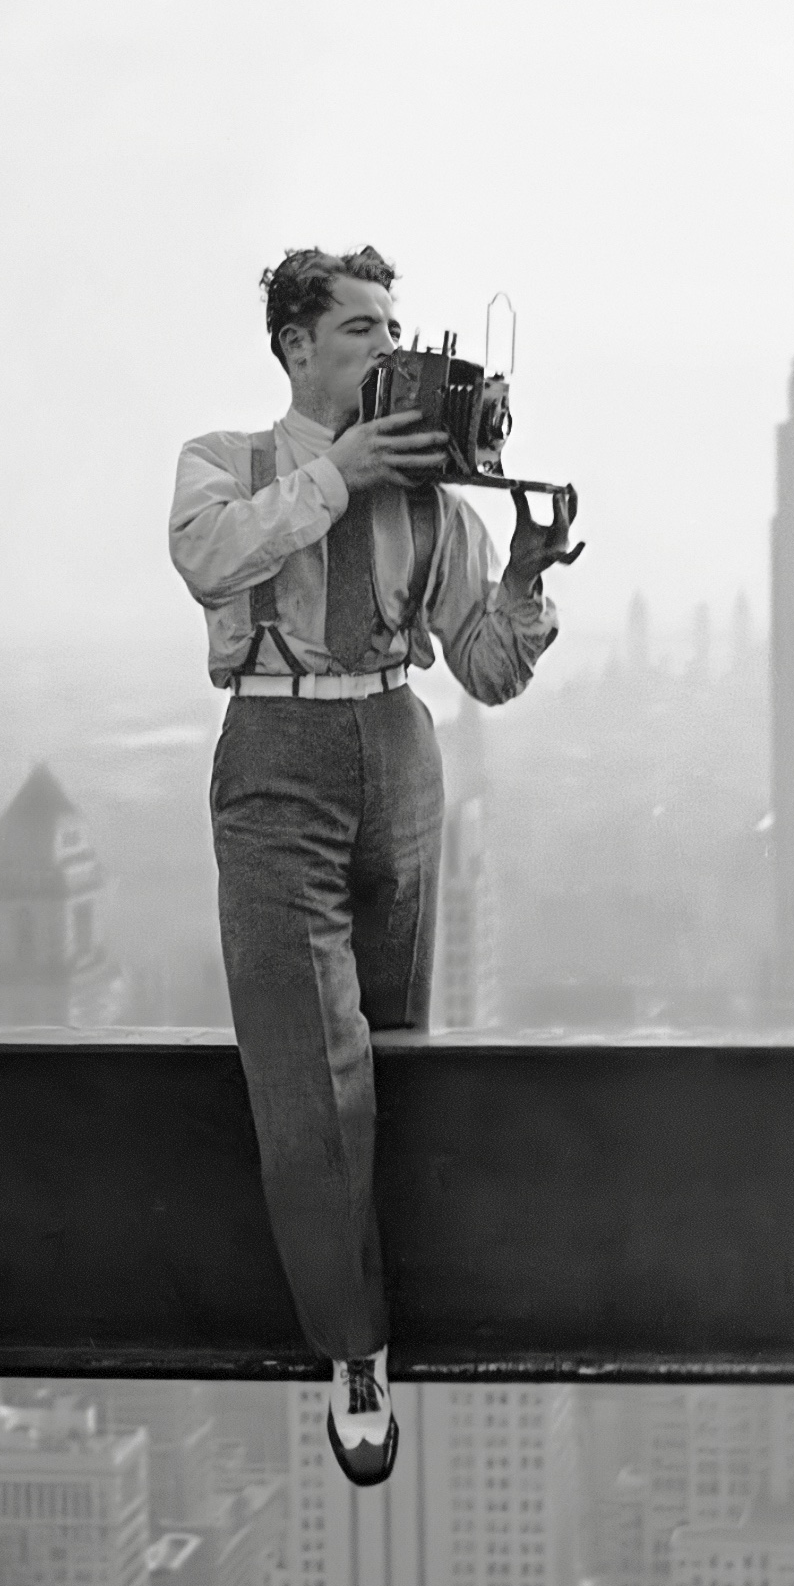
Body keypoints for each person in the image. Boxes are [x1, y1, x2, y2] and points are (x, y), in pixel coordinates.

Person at [169, 246, 582, 1484]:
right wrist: (333, 478)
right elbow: (206, 560)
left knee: (395, 1048)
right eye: (360, 330)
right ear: (297, 346)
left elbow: (489, 674)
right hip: (277, 748)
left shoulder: (433, 499)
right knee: (312, 1073)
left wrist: (519, 572)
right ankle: (355, 1347)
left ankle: (405, 1285)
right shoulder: (225, 462)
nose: (388, 349)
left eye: (395, 326)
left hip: (398, 749)